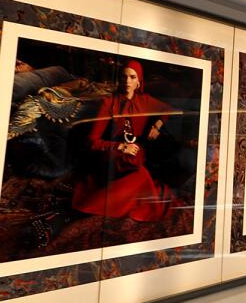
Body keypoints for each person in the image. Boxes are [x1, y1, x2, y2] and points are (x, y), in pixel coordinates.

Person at [73, 60, 176, 221]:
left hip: (135, 155)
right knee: (142, 175)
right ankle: (90, 205)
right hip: (112, 154)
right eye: (124, 77)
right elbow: (92, 141)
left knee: (139, 168)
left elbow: (168, 109)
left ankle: (108, 204)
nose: (127, 81)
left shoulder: (146, 101)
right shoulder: (108, 103)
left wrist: (157, 125)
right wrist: (120, 146)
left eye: (132, 77)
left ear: (139, 81)